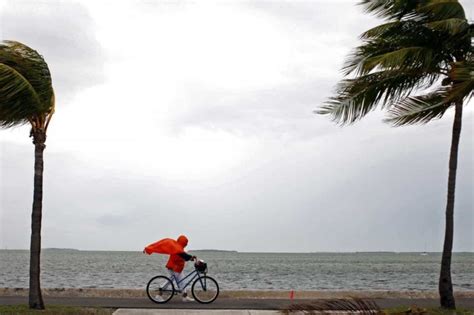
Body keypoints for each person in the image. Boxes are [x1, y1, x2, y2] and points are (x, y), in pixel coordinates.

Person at [163, 235, 196, 302]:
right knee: (170, 281)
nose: (186, 244)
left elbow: (182, 255)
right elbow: (183, 255)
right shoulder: (177, 248)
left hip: (176, 268)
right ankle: (159, 294)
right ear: (183, 242)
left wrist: (189, 258)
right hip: (174, 267)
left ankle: (185, 297)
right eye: (185, 243)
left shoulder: (178, 247)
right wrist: (190, 257)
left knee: (183, 282)